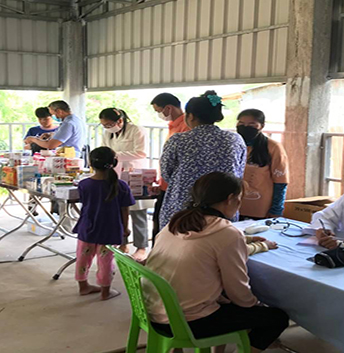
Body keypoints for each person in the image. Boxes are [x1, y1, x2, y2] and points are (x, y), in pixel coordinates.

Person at [145, 172, 289, 353]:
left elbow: (208, 246)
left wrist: (247, 240)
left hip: (154, 311)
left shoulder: (177, 222)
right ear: (230, 199)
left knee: (228, 301)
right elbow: (239, 294)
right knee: (276, 318)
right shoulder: (226, 233)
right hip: (188, 321)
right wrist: (256, 306)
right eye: (239, 199)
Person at [158, 91, 247, 229]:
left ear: (191, 116)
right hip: (223, 206)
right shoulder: (235, 139)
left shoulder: (178, 140)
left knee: (181, 243)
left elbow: (166, 173)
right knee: (220, 243)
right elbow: (238, 173)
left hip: (183, 206)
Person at [72, 147, 135, 301]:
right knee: (106, 261)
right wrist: (125, 228)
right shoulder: (121, 186)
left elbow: (84, 204)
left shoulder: (84, 184)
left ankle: (83, 286)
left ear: (90, 164)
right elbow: (125, 210)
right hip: (110, 230)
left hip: (88, 227)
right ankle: (105, 291)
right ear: (113, 163)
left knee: (82, 258)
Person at [99, 108, 150, 260]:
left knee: (137, 211)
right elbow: (104, 149)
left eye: (109, 124)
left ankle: (141, 247)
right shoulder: (107, 133)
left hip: (134, 172)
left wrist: (114, 156)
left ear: (120, 121)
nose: (107, 128)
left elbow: (141, 152)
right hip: (115, 174)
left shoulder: (136, 130)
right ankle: (122, 242)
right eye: (104, 125)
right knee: (118, 211)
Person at [150, 93, 190, 243]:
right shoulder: (174, 126)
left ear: (168, 108)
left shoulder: (186, 128)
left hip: (176, 189)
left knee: (167, 229)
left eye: (158, 111)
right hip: (166, 185)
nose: (159, 115)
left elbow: (178, 163)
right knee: (159, 225)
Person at [236, 109, 289, 219]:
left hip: (260, 208)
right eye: (241, 124)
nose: (245, 127)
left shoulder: (273, 147)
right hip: (233, 206)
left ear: (261, 126)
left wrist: (276, 209)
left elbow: (280, 181)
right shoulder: (233, 144)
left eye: (251, 124)